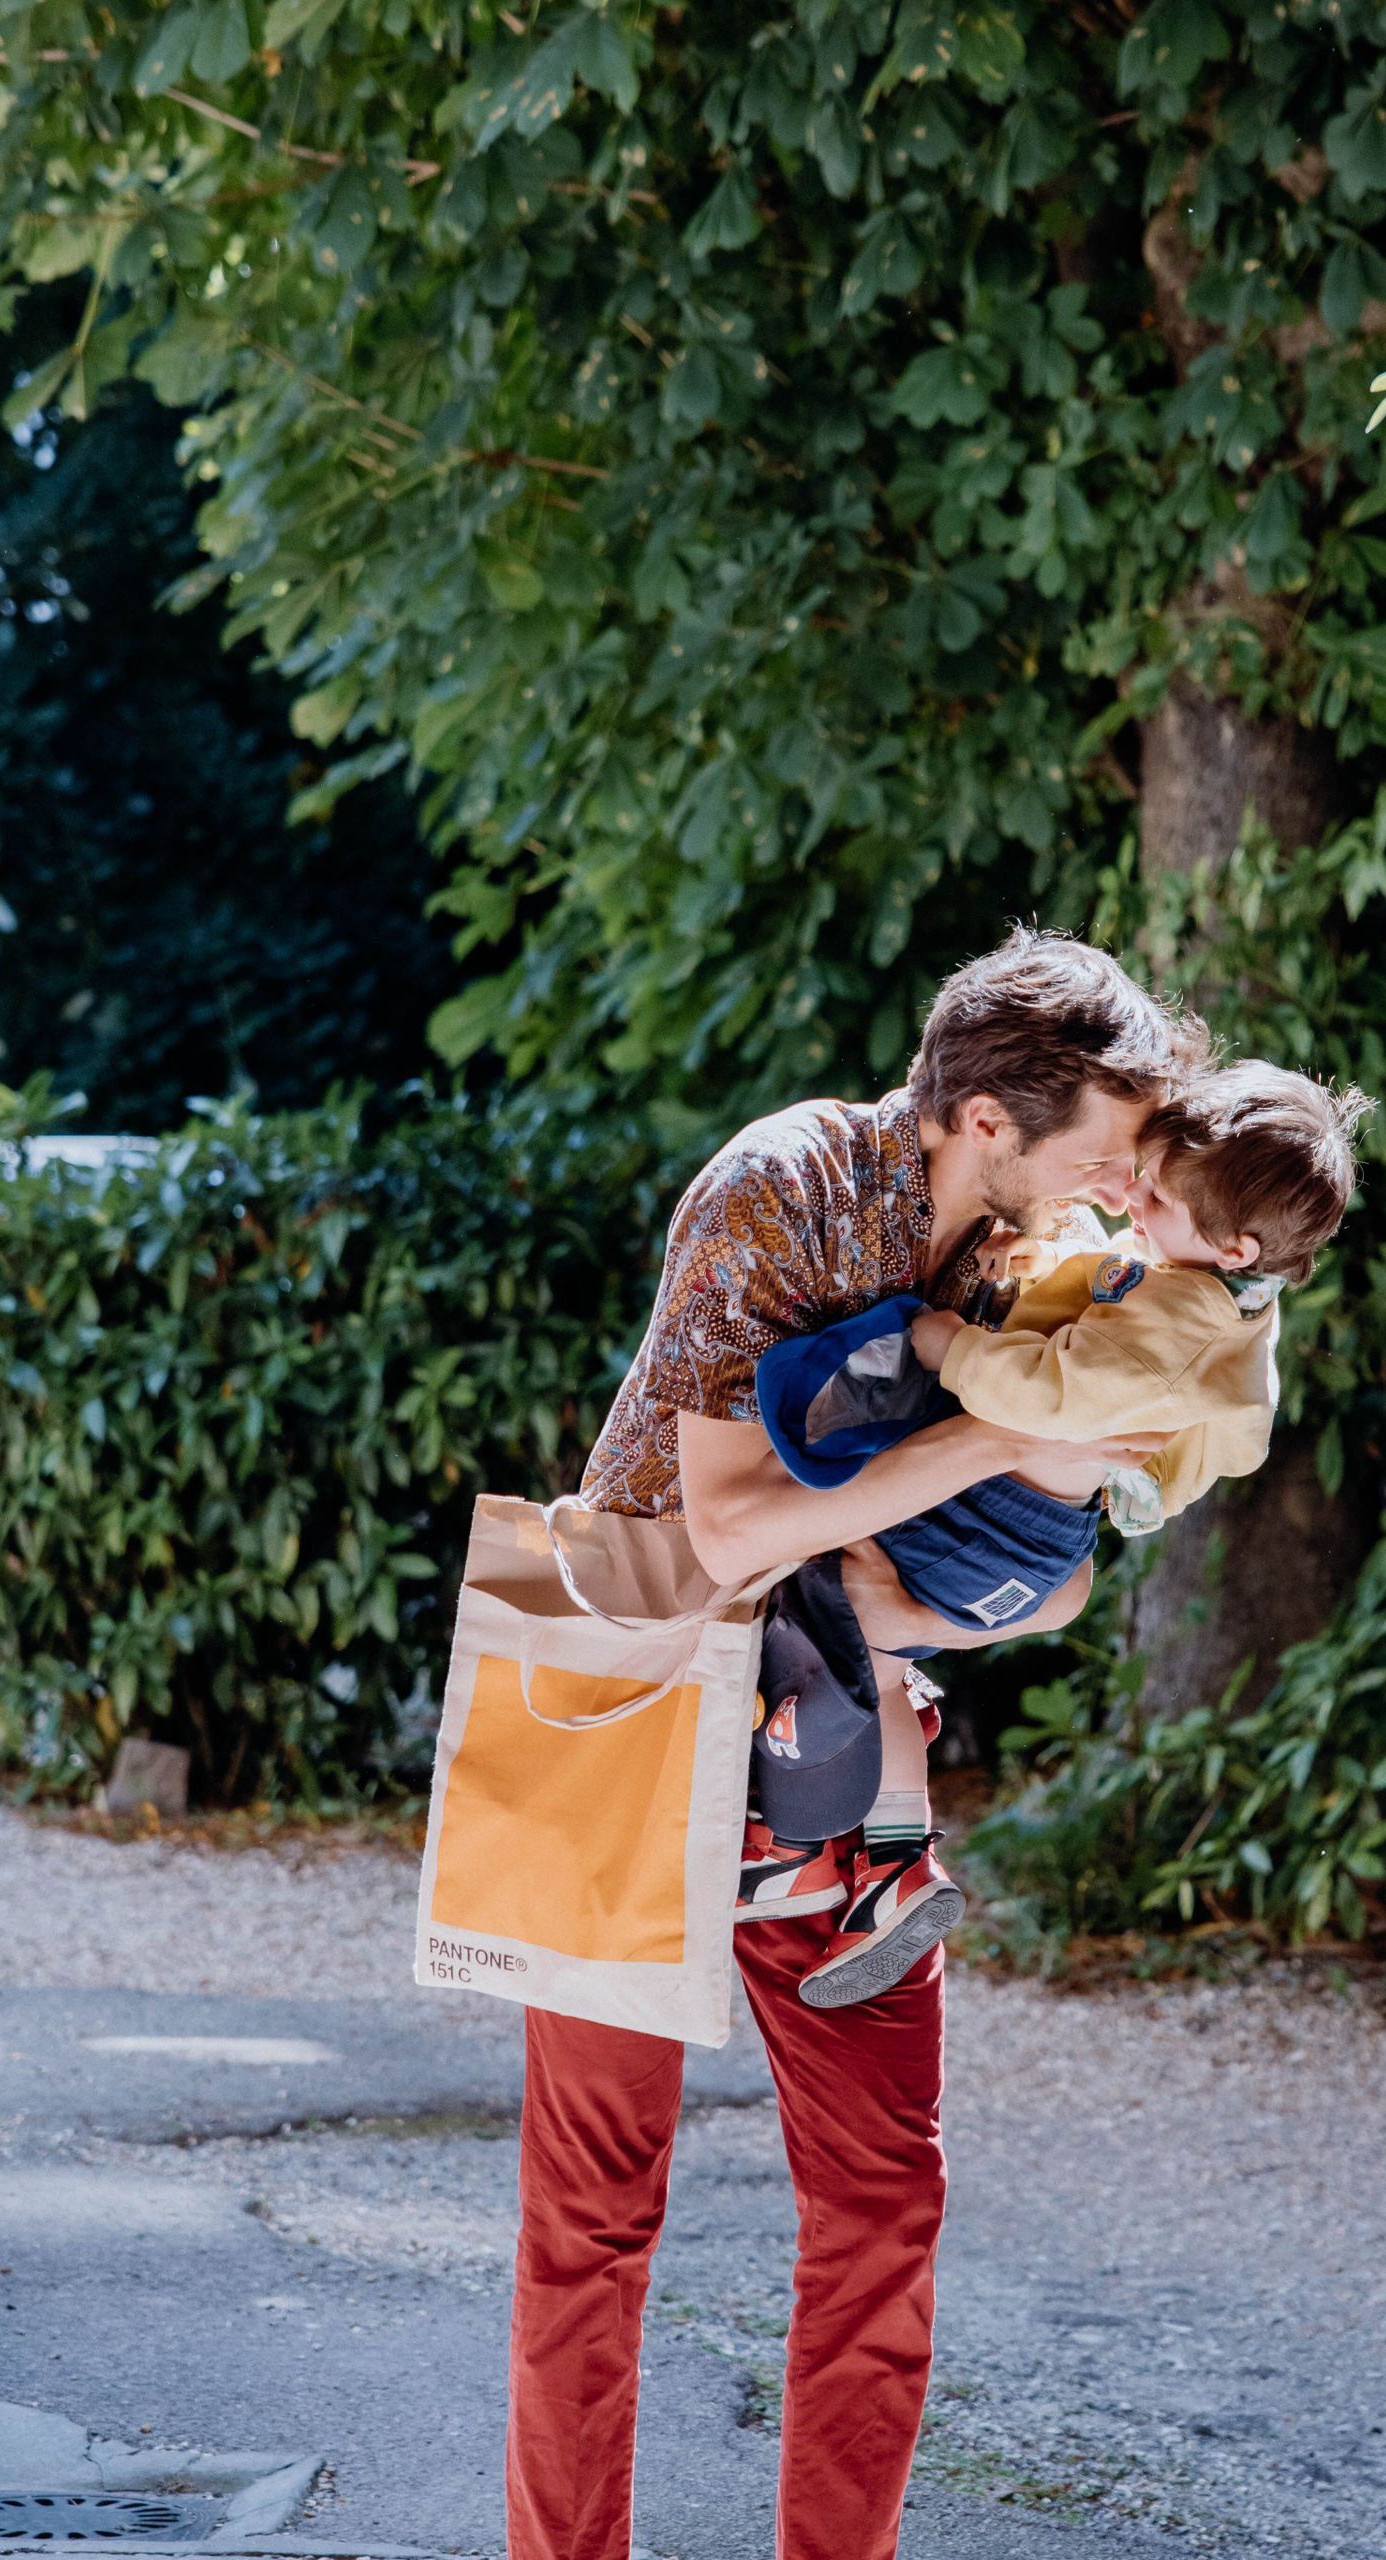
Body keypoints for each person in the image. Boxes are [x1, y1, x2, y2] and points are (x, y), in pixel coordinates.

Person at [507, 926, 1203, 2560]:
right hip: (631, 1715)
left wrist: (926, 1593)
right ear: (981, 1122)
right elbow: (735, 1521)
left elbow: (1051, 1585)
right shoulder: (783, 1186)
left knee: (887, 2214)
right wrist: (990, 1444)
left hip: (838, 1764)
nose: (1116, 1188)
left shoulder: (1047, 1260)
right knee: (592, 2228)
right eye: (1096, 1152)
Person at [743, 1062, 1371, 2008]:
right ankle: (895, 1865)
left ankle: (787, 1847)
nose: (1134, 1200)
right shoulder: (1219, 1296)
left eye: (1156, 1195)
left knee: (821, 1602)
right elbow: (1112, 1300)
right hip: (1027, 1537)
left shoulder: (1183, 1322)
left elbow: (1049, 1394)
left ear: (1238, 1246)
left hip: (990, 1520)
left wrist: (944, 1343)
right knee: (876, 1652)